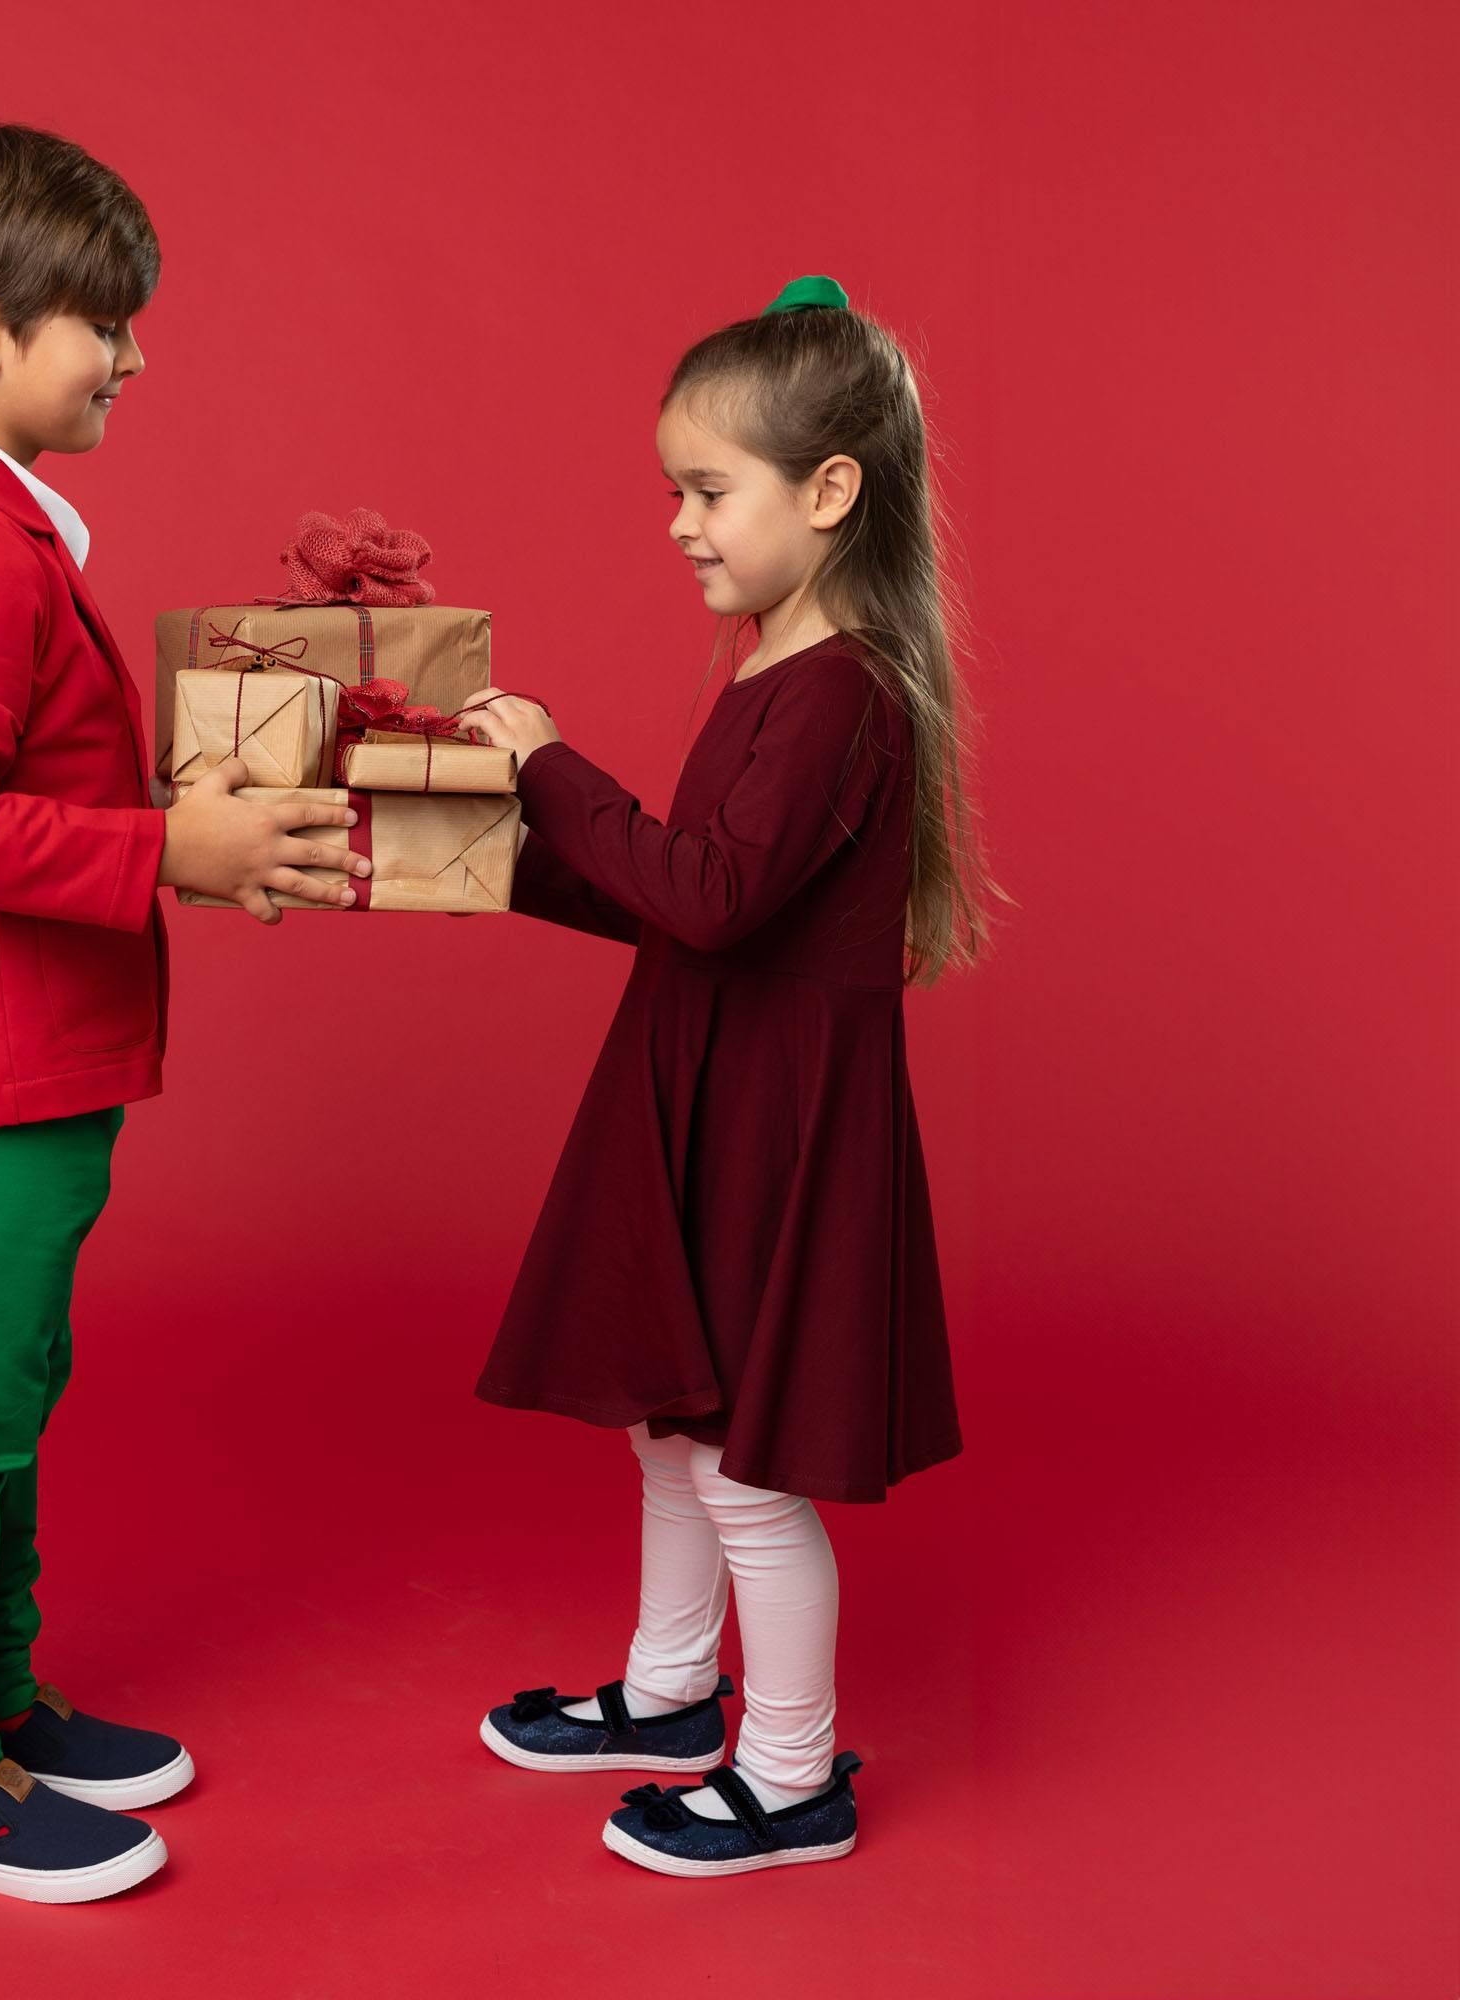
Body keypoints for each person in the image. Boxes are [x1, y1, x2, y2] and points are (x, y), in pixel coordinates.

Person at [0, 120, 372, 1904]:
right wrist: (174, 845)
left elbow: (41, 780)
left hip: (37, 1062)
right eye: (108, 324)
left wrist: (208, 814)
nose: (135, 355)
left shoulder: (3, 533)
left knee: (15, 1388)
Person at [462, 275, 997, 1879]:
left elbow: (704, 895)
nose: (682, 525)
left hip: (776, 1123)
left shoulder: (839, 691)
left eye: (710, 490)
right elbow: (686, 895)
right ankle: (675, 1695)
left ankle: (790, 1774)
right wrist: (487, 852)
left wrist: (548, 767)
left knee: (747, 1467)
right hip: (714, 1085)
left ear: (830, 493)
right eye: (674, 491)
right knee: (675, 1428)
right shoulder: (781, 666)